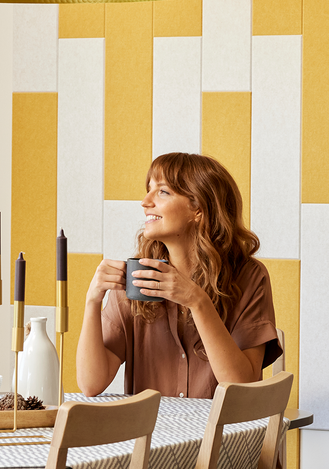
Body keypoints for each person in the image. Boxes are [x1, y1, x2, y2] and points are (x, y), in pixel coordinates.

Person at [76, 152, 281, 399]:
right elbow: (90, 384)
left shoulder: (248, 277)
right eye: (148, 189)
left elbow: (241, 387)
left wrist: (198, 301)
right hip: (152, 437)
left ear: (199, 208)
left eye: (162, 192)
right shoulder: (137, 278)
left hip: (221, 434)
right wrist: (92, 301)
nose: (145, 201)